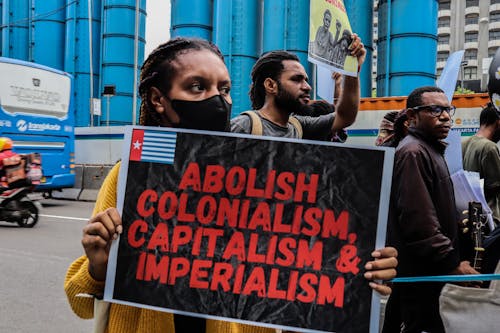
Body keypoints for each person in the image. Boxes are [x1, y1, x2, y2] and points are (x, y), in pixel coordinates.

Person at [65, 37, 397, 333]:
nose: (217, 100)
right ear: (157, 99)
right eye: (198, 87)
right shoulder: (129, 176)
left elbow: (289, 269)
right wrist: (100, 266)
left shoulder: (258, 180)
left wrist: (357, 270)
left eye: (223, 89)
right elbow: (79, 301)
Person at [385, 86, 479, 333]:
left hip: (427, 273)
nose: (446, 116)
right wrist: (451, 263)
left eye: (448, 109)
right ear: (411, 116)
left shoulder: (429, 149)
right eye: (435, 109)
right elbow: (419, 222)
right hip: (421, 275)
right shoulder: (413, 152)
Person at [231, 33, 365, 142]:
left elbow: (346, 116)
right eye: (296, 79)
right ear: (271, 85)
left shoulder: (299, 127)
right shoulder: (243, 127)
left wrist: (353, 70)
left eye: (306, 80)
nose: (307, 87)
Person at [462, 102, 500, 225]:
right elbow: (495, 186)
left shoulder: (464, 143)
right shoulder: (489, 147)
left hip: (469, 216)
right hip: (489, 220)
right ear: (498, 122)